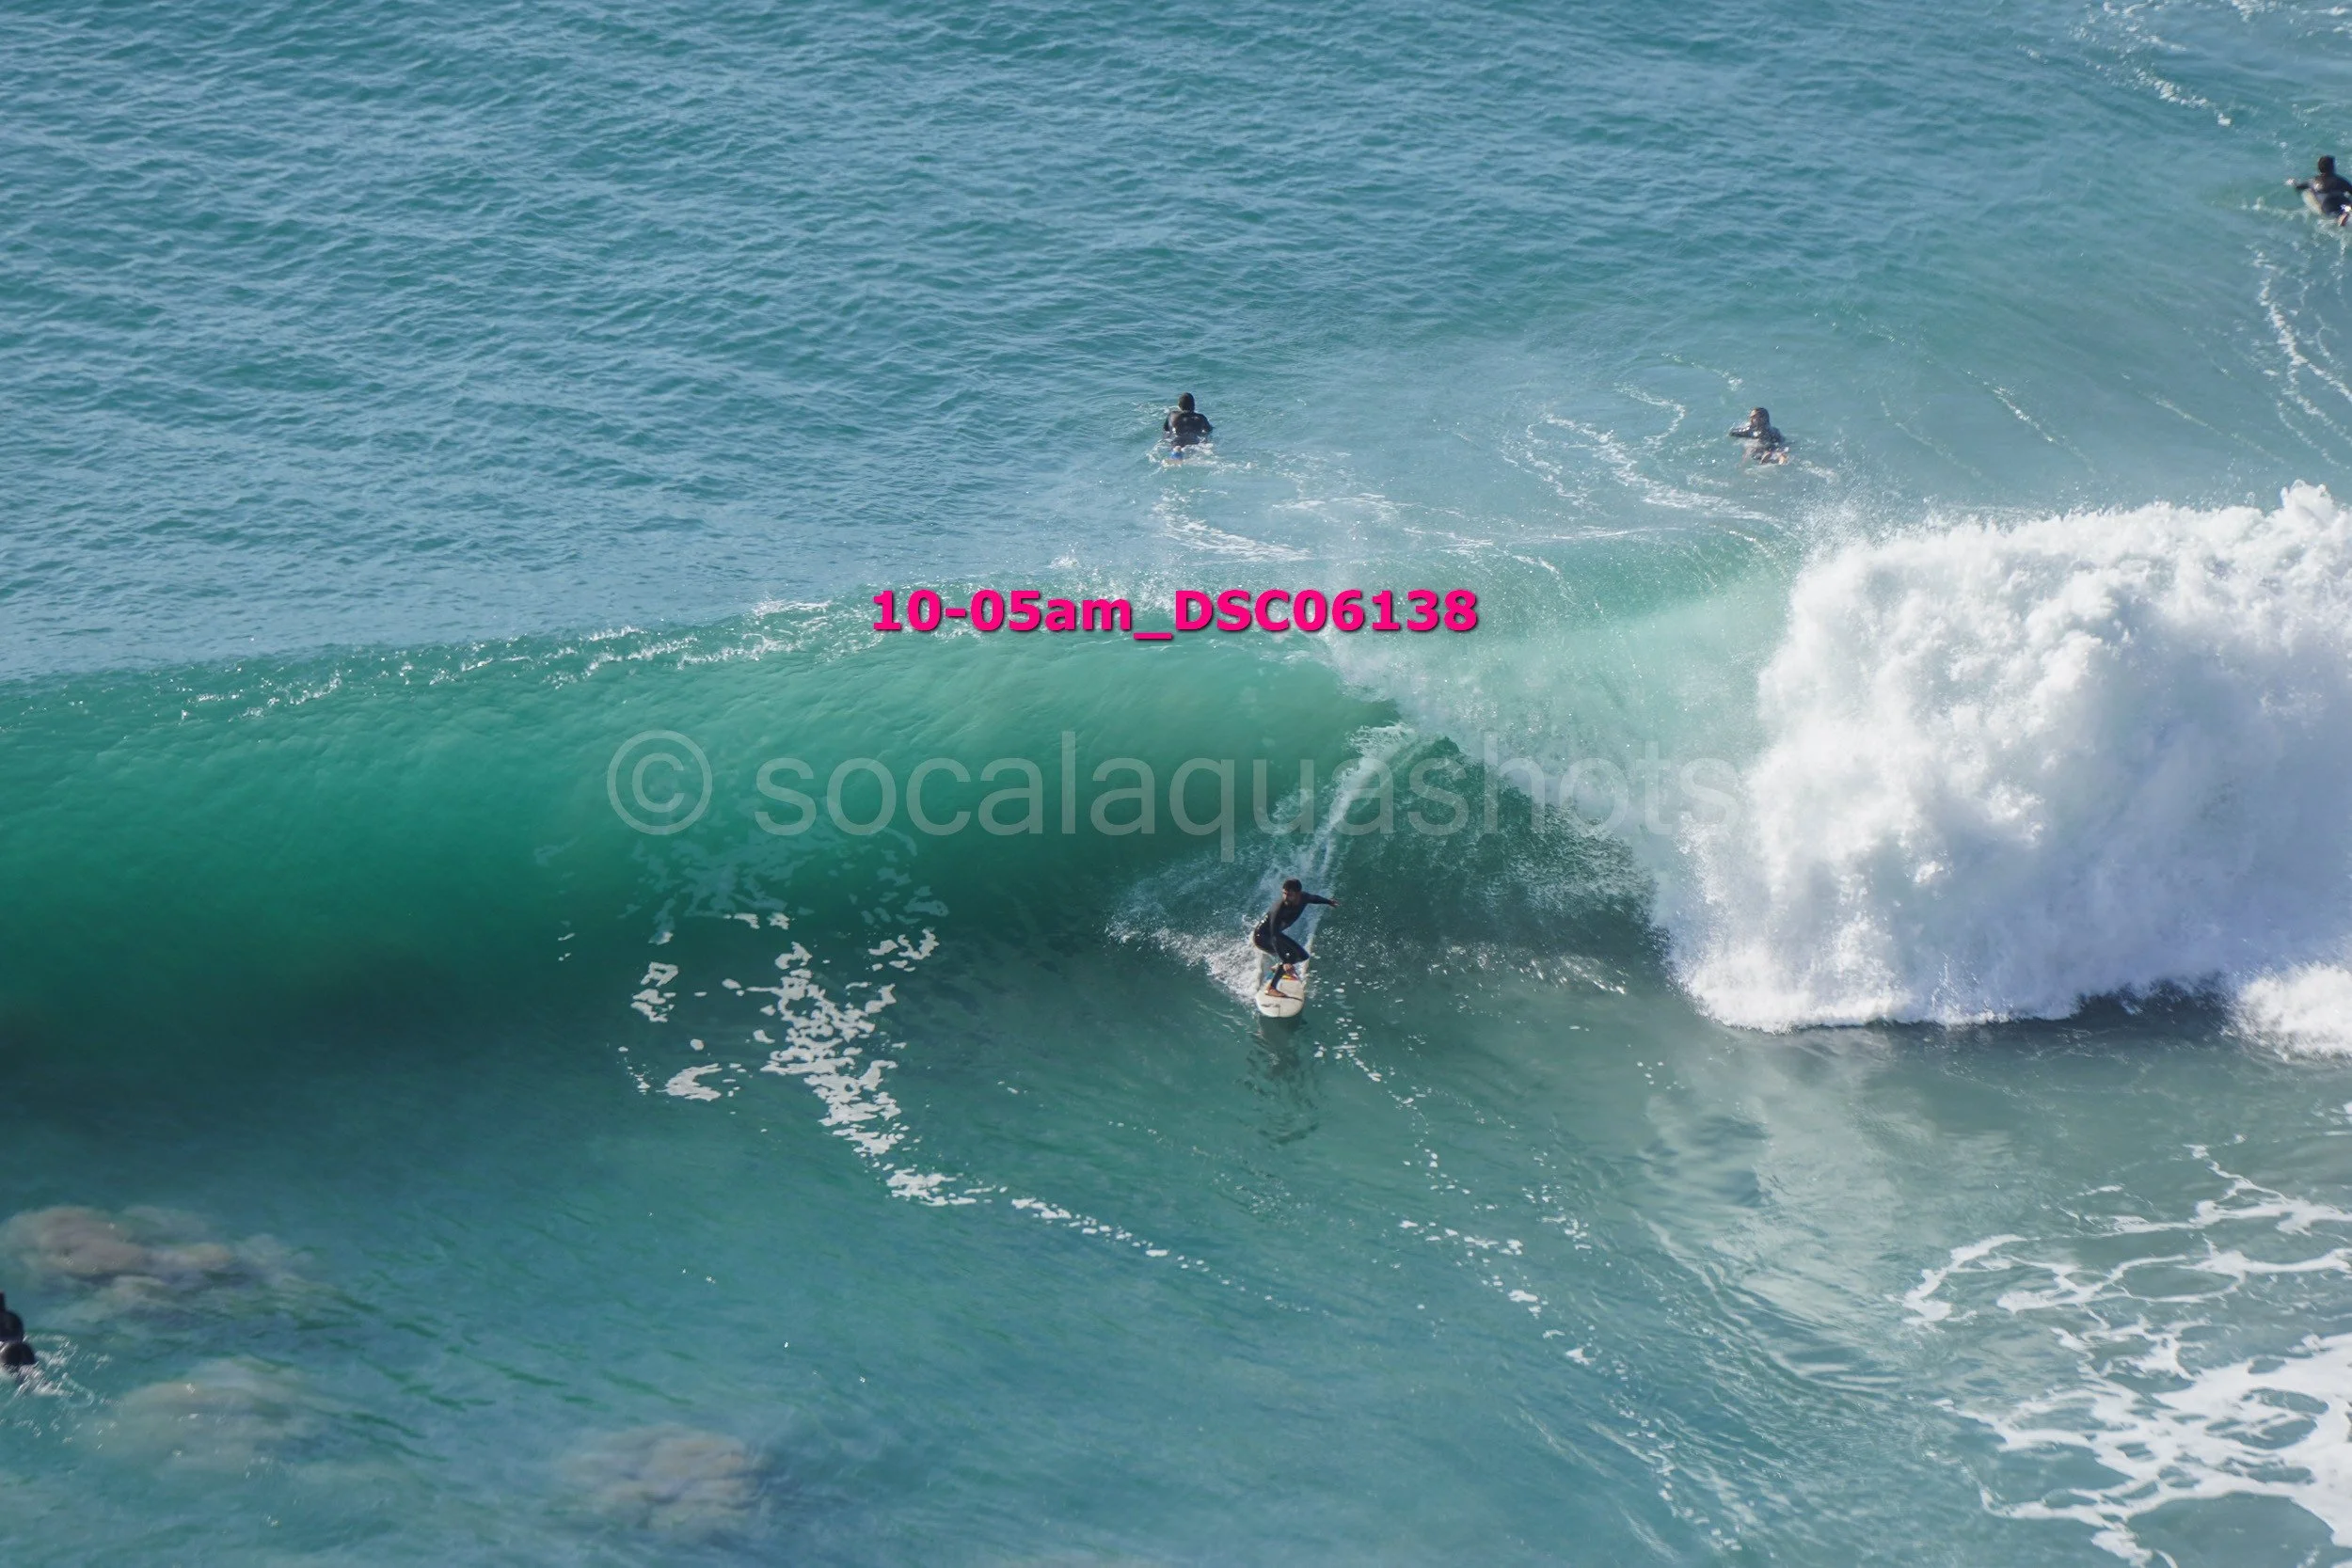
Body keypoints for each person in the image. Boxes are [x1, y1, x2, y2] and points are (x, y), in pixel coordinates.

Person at [1253, 878, 1335, 993]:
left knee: (1302, 956)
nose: (1286, 897)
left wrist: (1328, 902)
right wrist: (1285, 961)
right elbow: (1274, 936)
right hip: (1262, 937)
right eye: (1284, 893)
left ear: (1298, 894)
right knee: (1291, 956)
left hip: (1275, 935)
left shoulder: (1304, 898)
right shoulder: (1278, 909)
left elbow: (1314, 898)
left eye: (1289, 894)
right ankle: (1272, 988)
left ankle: (1280, 968)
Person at [2290, 155, 2352, 224]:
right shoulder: (2341, 180)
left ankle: (2340, 218)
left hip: (2327, 204)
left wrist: (2293, 182)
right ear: (2333, 168)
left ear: (2319, 168)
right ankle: (2346, 213)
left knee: (2333, 214)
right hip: (2341, 199)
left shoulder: (2312, 181)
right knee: (2348, 205)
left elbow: (2298, 187)